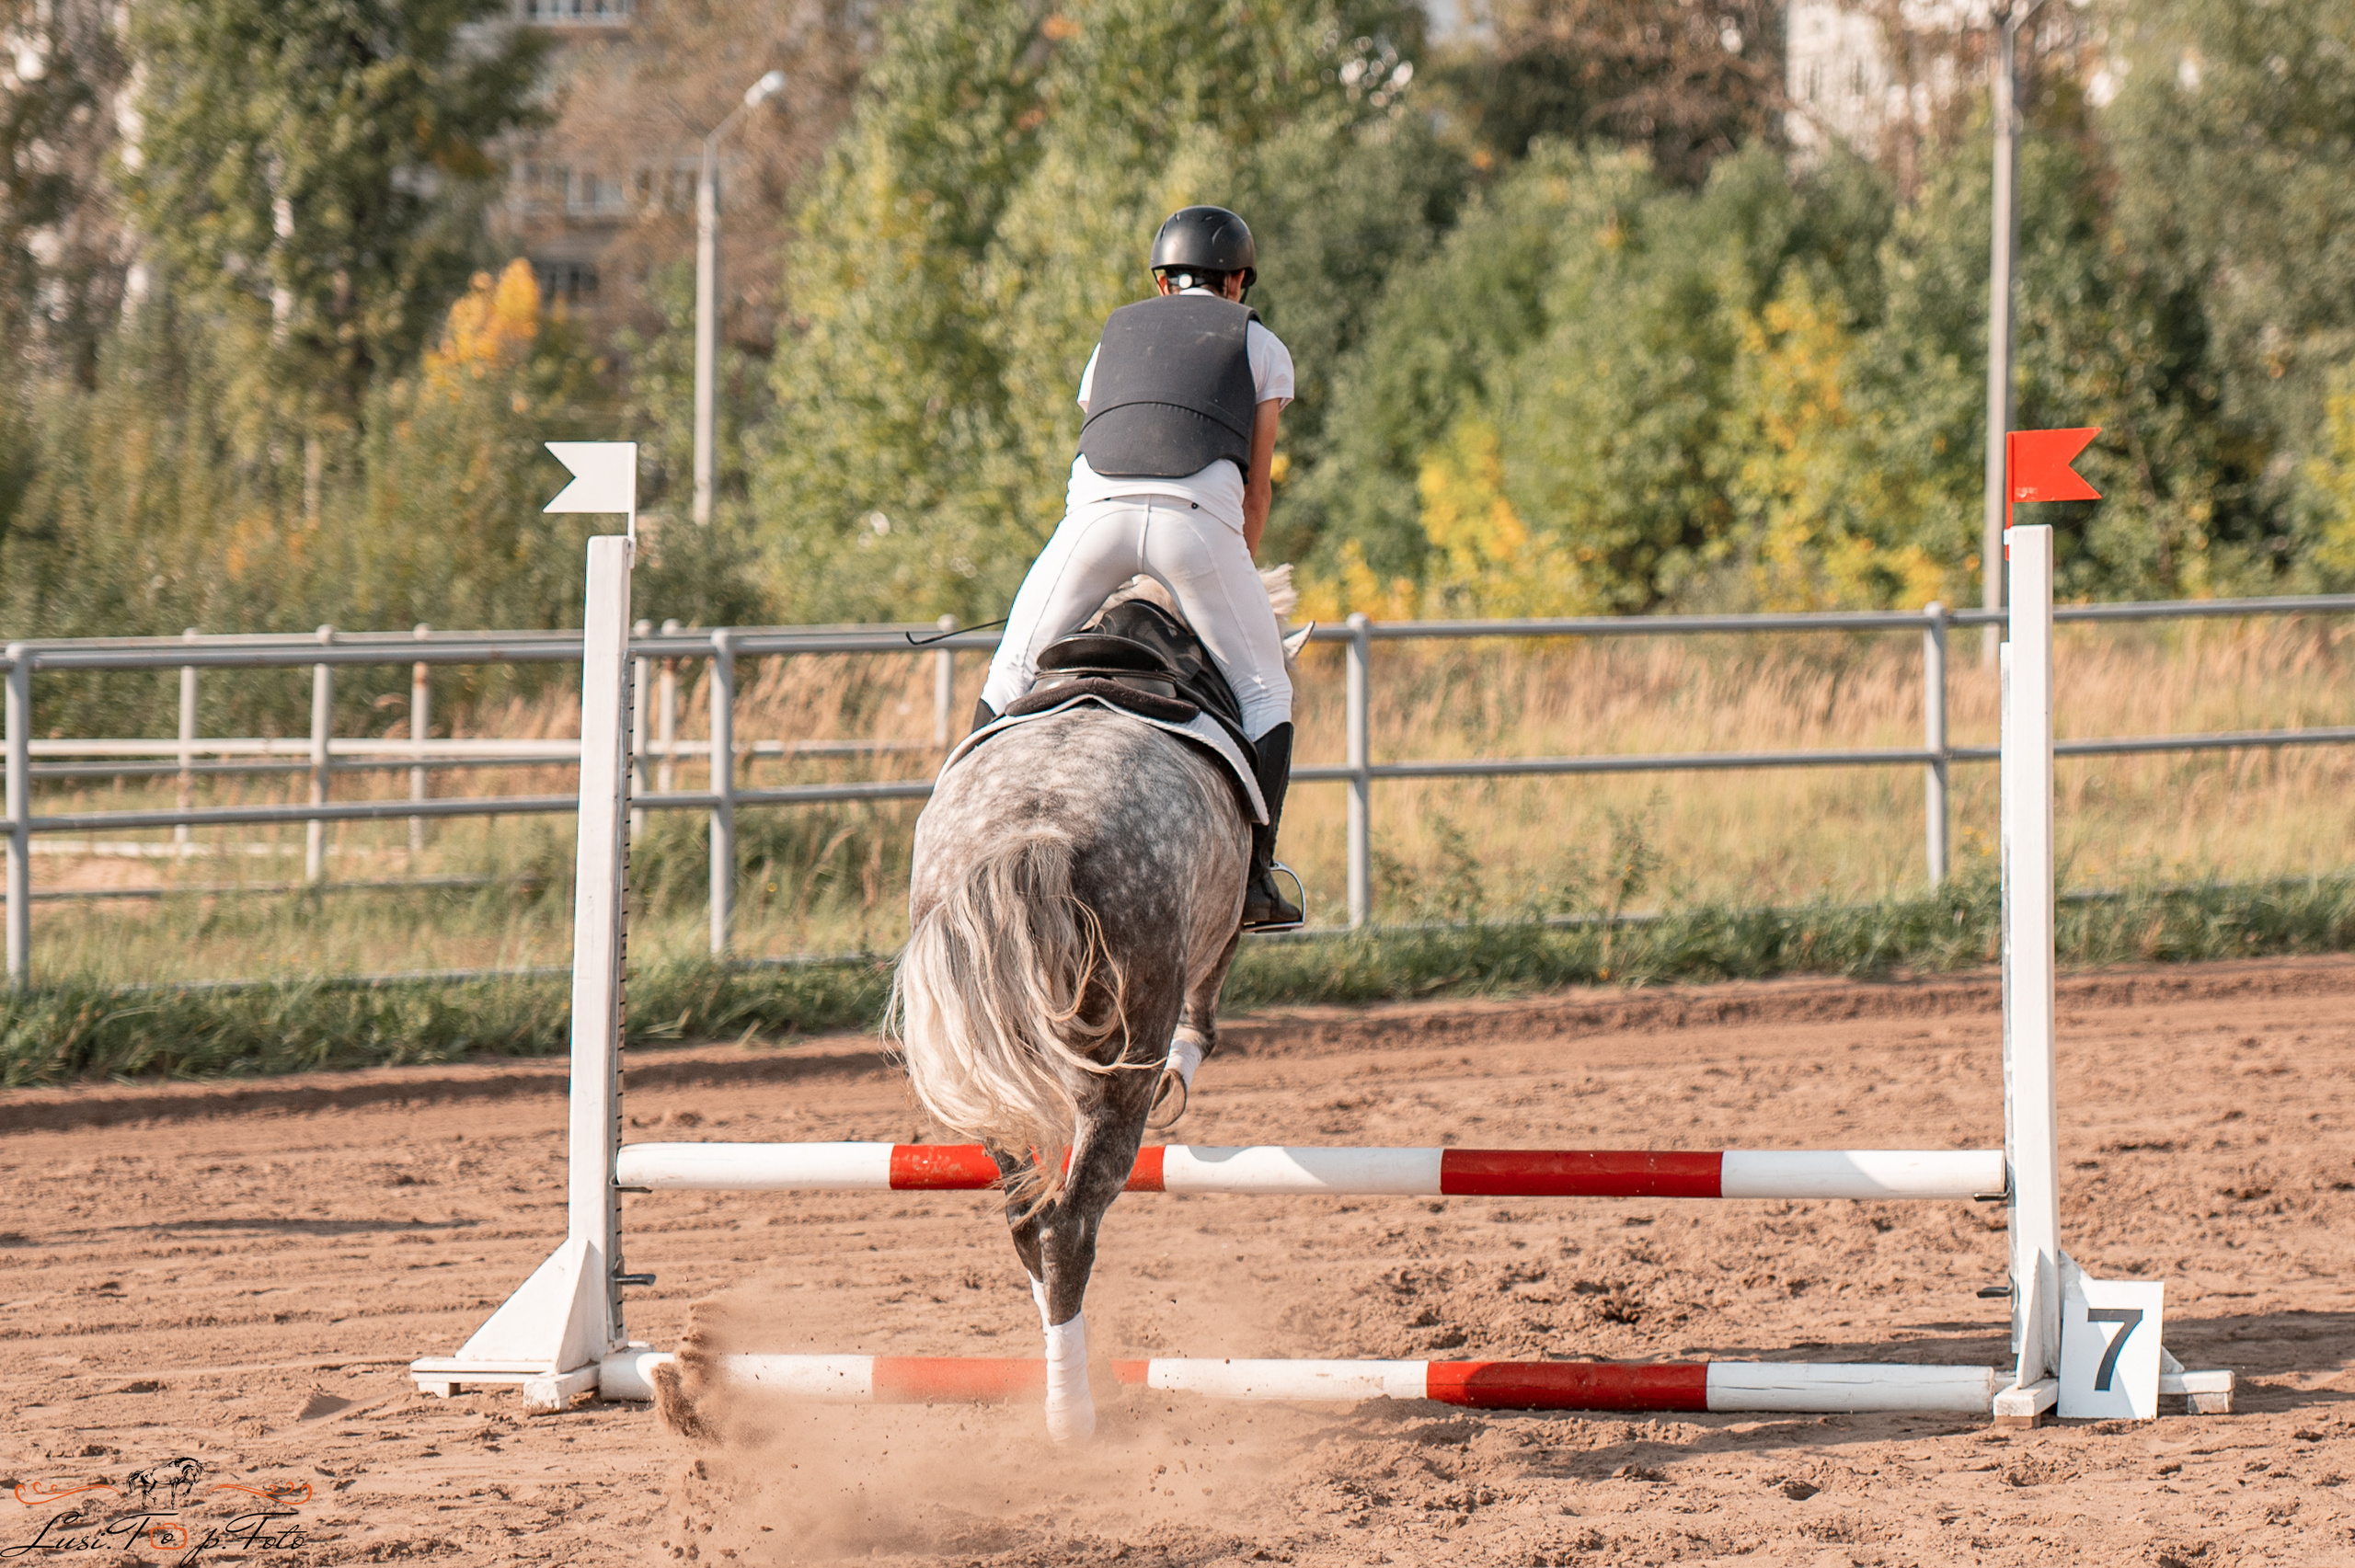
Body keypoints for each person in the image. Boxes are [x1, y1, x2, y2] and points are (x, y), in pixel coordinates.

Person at [976, 204, 1302, 931]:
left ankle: (950, 838)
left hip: (1092, 522)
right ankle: (1257, 877)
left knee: (1008, 673)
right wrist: (1234, 571)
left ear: (1161, 282)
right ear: (1240, 281)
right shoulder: (1261, 343)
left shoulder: (1111, 339)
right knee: (1264, 690)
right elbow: (1257, 486)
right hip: (1196, 527)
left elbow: (1109, 430)